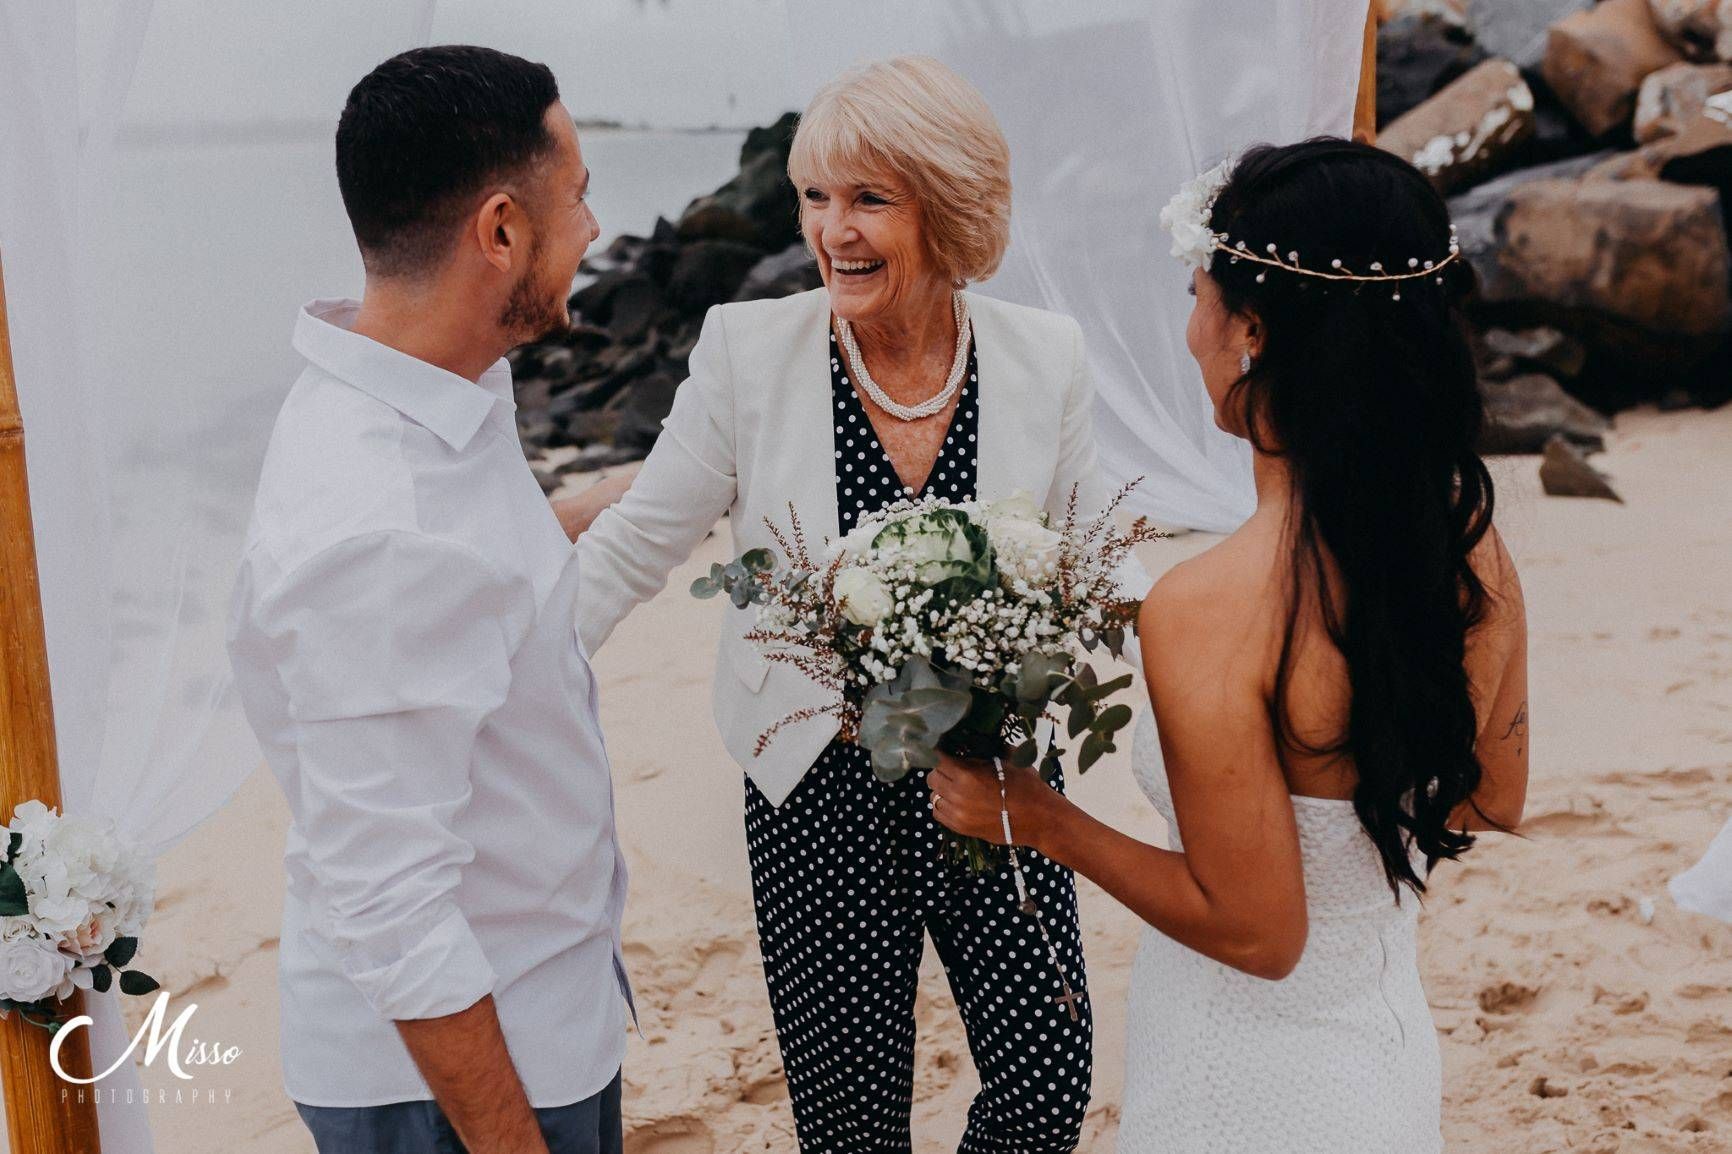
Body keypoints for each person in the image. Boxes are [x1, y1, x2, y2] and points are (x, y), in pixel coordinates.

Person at [932, 138, 1531, 1153]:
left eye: (1197, 294)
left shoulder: (1211, 604)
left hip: (1240, 1086)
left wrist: (1039, 819)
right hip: (1382, 1061)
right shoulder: (1462, 545)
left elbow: (1258, 931)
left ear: (1251, 331)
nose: (1189, 329)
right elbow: (1489, 799)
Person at [576, 55, 1128, 1152]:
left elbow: (1096, 567)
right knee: (849, 1124)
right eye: (815, 198)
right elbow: (639, 540)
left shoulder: (1043, 356)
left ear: (949, 204)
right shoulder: (748, 350)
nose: (834, 231)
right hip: (815, 791)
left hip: (1000, 780)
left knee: (1048, 1082)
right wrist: (506, 681)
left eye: (871, 198)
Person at [226, 46, 632, 1154]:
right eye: (580, 194)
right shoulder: (377, 521)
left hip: (552, 1003)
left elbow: (464, 605)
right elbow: (391, 900)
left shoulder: (436, 379)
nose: (596, 229)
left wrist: (594, 504)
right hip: (454, 1082)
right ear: (499, 232)